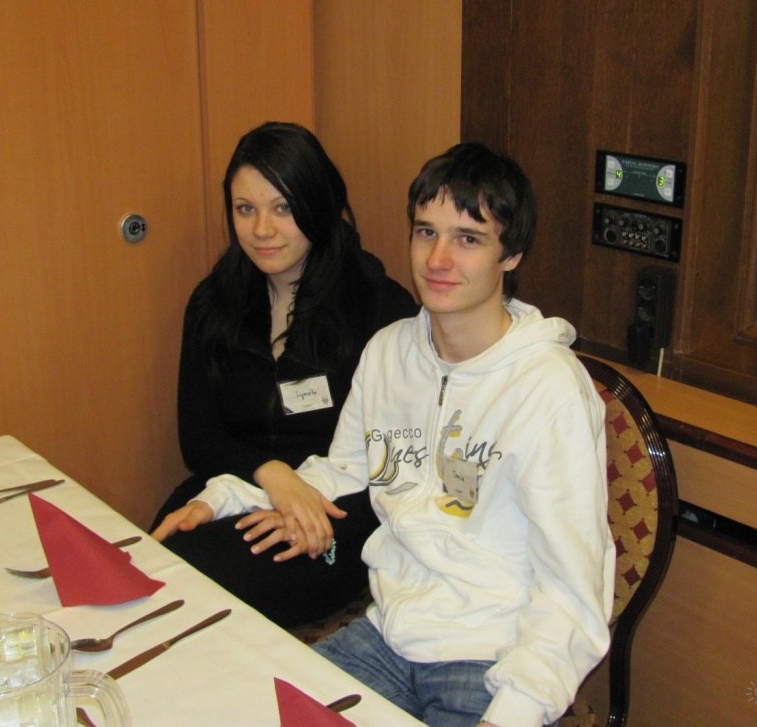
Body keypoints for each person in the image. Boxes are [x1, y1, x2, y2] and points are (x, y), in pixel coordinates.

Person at [157, 141, 615, 727]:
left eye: (468, 239)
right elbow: (342, 470)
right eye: (426, 233)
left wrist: (517, 709)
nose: (438, 259)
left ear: (512, 254)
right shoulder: (390, 351)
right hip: (387, 634)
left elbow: (572, 590)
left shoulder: (548, 390)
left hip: (493, 655)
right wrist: (227, 496)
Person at [150, 121, 417, 628]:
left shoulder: (379, 306)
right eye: (244, 209)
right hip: (234, 482)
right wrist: (272, 477)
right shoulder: (213, 302)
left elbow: (395, 459)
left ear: (318, 205)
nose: (261, 230)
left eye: (283, 208)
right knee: (157, 558)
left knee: (203, 585)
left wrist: (302, 502)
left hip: (337, 508)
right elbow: (199, 438)